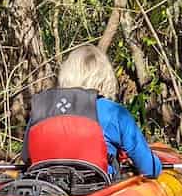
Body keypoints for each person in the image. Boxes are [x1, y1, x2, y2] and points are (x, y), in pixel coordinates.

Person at [22, 45, 163, 179]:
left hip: (46, 189)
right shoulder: (114, 112)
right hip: (96, 191)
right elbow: (150, 169)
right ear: (105, 78)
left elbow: (26, 158)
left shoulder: (42, 108)